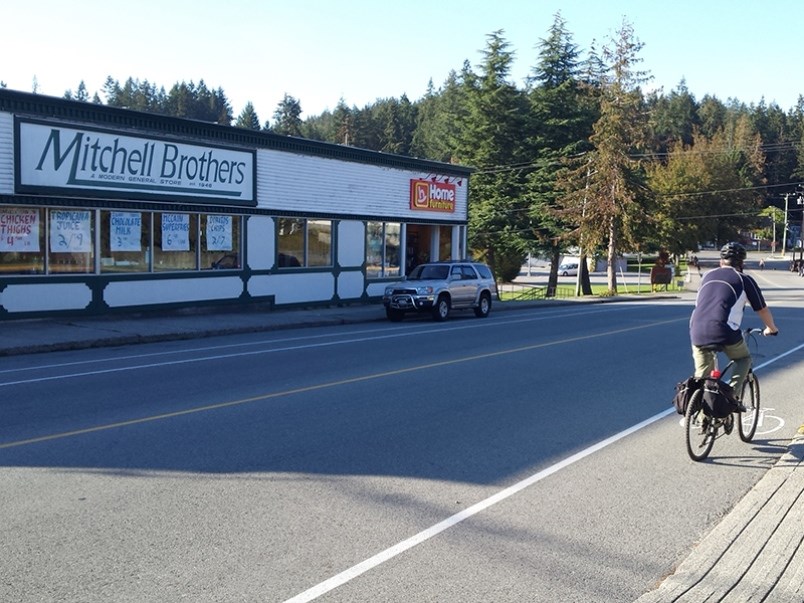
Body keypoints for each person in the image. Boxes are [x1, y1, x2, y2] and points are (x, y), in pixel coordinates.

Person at [689, 242, 779, 408]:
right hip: (724, 331)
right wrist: (771, 328)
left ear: (721, 261)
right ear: (741, 263)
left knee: (702, 376)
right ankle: (730, 399)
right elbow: (762, 310)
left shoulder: (707, 276)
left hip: (697, 329)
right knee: (743, 359)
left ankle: (700, 416)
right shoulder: (744, 280)